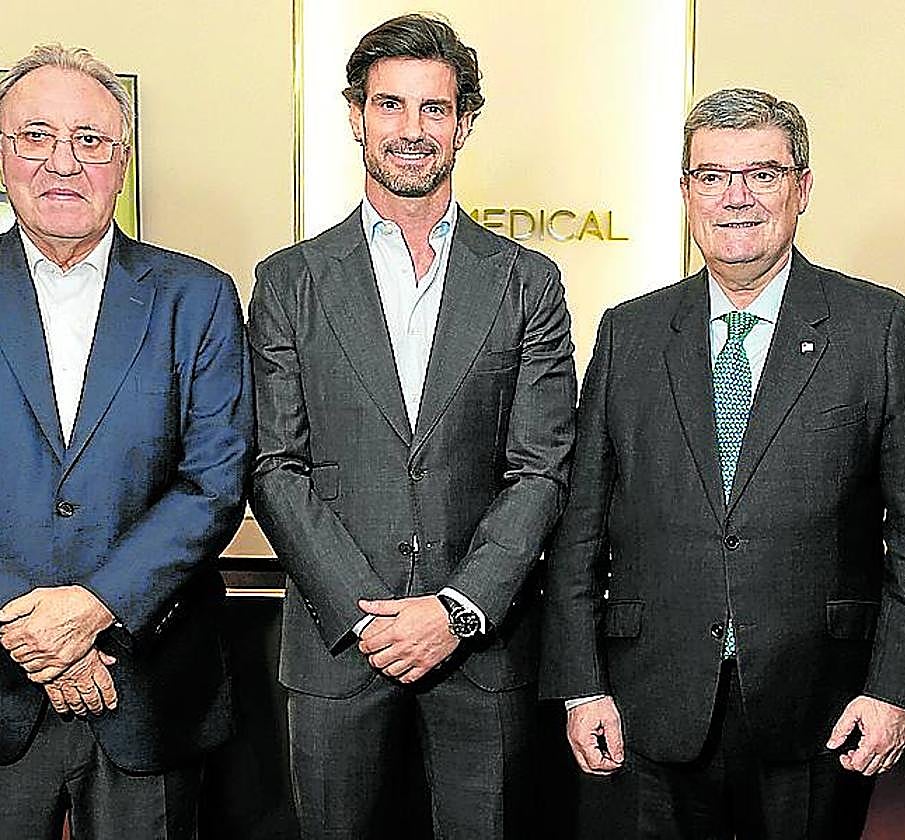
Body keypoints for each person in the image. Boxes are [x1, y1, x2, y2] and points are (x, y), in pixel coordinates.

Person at [540, 87, 905, 839]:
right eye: (712, 176)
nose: (736, 198)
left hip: (822, 711)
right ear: (685, 192)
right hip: (647, 705)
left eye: (763, 174)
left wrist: (895, 690)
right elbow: (580, 530)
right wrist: (580, 685)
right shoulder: (630, 333)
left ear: (803, 187)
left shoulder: (877, 329)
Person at [247, 14, 576, 839]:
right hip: (337, 644)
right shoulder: (289, 281)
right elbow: (276, 466)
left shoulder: (527, 281)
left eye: (435, 108)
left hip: (481, 648)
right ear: (356, 117)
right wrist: (367, 617)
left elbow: (540, 469)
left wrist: (457, 608)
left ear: (464, 125)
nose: (411, 129)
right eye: (390, 105)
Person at [0, 44, 252, 839]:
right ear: (2, 154)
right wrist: (32, 629)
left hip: (148, 690)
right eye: (36, 136)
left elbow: (214, 481)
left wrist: (95, 607)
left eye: (90, 140)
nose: (62, 162)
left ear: (123, 161)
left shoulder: (197, 297)